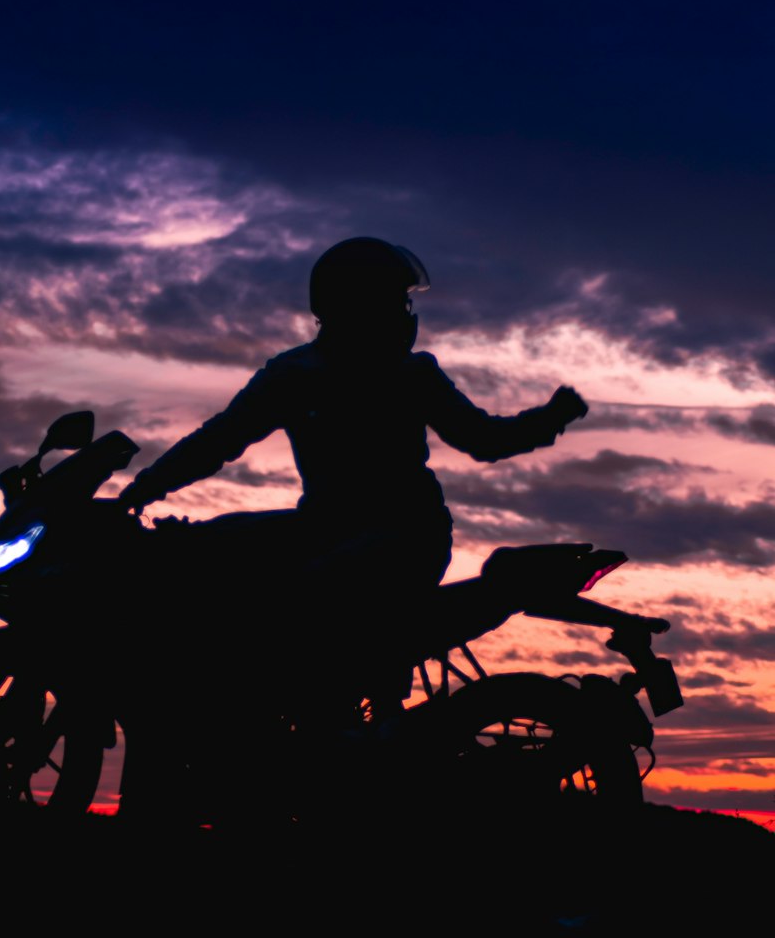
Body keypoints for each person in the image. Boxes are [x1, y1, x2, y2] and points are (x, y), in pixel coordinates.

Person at [117, 237, 587, 718]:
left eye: (402, 301)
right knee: (200, 545)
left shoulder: (410, 374)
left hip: (407, 536)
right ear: (356, 303)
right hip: (322, 528)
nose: (403, 313)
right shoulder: (294, 374)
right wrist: (142, 490)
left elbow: (483, 439)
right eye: (392, 300)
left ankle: (337, 722)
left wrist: (549, 419)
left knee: (306, 593)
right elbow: (219, 439)